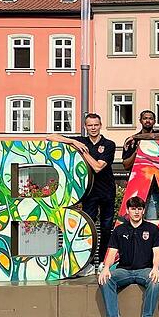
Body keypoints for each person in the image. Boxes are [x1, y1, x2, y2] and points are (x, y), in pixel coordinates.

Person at [47, 112, 116, 275]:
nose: (93, 128)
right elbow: (50, 137)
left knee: (106, 229)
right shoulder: (81, 141)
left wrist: (83, 152)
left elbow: (98, 167)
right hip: (88, 192)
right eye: (90, 125)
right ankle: (88, 263)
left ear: (100, 125)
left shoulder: (109, 144)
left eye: (95, 125)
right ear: (85, 127)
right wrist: (72, 141)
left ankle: (104, 263)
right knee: (87, 228)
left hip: (106, 191)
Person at [97, 196, 159, 317]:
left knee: (155, 280)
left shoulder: (152, 229)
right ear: (127, 210)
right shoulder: (119, 230)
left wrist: (156, 268)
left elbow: (157, 252)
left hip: (145, 270)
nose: (136, 212)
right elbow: (112, 252)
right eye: (133, 209)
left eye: (139, 209)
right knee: (106, 279)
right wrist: (106, 268)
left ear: (144, 210)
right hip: (124, 270)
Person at [121, 110, 159, 220]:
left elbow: (158, 136)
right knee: (133, 221)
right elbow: (126, 165)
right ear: (140, 120)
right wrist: (137, 152)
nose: (148, 120)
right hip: (136, 186)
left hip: (154, 186)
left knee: (151, 219)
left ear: (154, 121)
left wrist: (136, 137)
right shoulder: (130, 142)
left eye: (150, 118)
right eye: (145, 118)